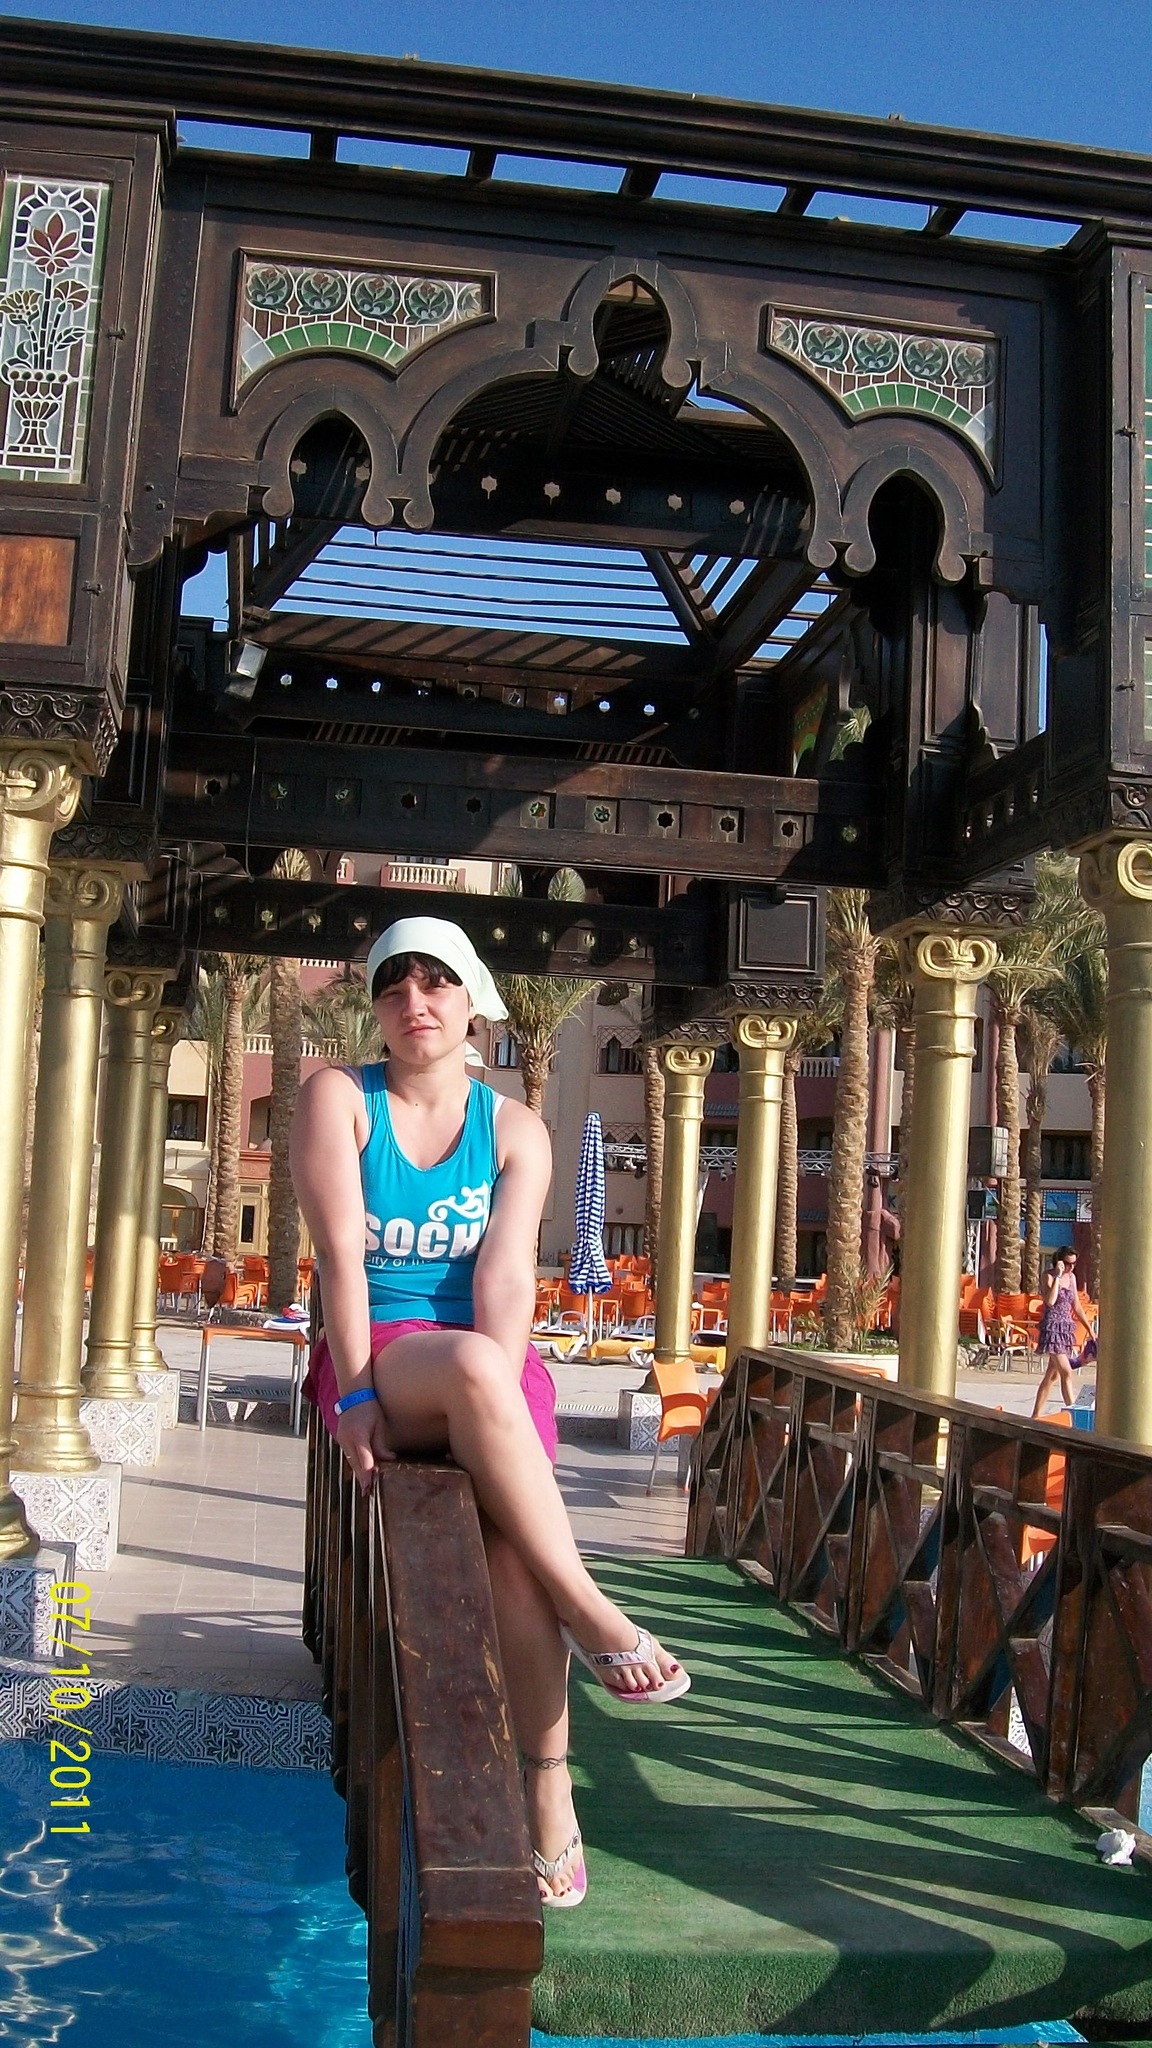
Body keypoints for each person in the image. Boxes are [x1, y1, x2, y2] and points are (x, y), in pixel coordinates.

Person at [290, 915, 689, 1910]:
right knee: (471, 1366)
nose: (413, 1002)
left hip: (488, 1367)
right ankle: (592, 1610)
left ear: (473, 1003)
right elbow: (340, 1257)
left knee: (512, 1551)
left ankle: (548, 1789)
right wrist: (355, 1392)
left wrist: (494, 1402)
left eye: (435, 982)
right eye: (393, 985)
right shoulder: (340, 1098)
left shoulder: (514, 1129)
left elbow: (507, 1277)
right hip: (376, 1354)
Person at [1031, 1245, 1095, 1419]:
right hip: (1052, 1327)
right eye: (1067, 1263)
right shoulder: (1048, 1276)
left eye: (1073, 1264)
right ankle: (1074, 1414)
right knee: (1066, 1371)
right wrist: (1058, 1276)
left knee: (1051, 1376)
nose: (1070, 1267)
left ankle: (1036, 1415)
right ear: (1059, 1261)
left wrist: (1089, 1329)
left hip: (1065, 1328)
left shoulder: (1072, 1277)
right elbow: (1050, 1301)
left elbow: (1076, 1306)